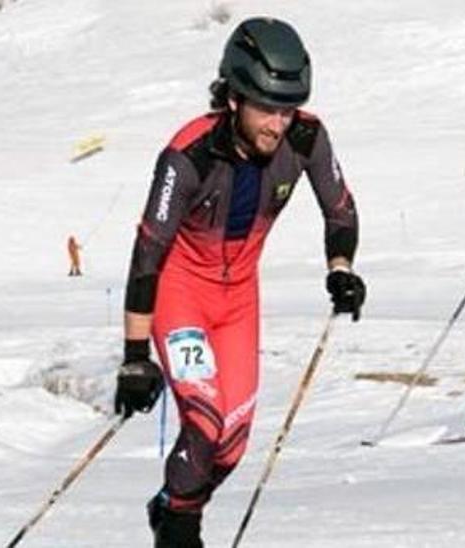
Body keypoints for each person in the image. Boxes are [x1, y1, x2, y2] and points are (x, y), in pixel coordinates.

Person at [112, 17, 362, 547]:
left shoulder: (307, 136)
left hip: (239, 300)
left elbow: (340, 210)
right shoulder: (189, 154)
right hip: (181, 293)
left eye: (288, 108)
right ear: (233, 98)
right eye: (267, 109)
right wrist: (136, 354)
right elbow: (147, 252)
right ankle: (180, 530)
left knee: (231, 444)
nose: (278, 123)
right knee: (203, 425)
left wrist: (341, 270)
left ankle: (171, 507)